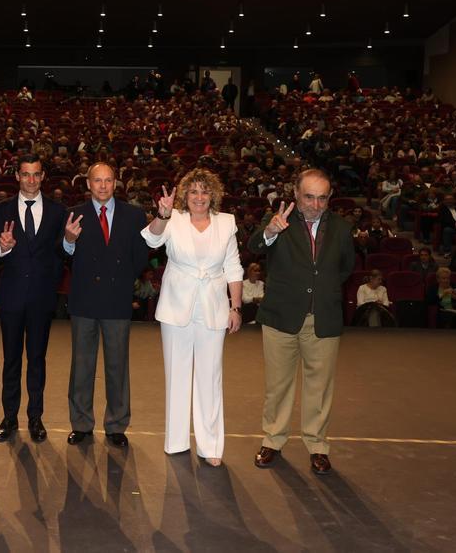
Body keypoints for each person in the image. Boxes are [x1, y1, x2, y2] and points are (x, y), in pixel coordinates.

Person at [247, 169, 355, 476]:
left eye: (323, 198)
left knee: (319, 388)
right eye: (309, 197)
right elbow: (255, 246)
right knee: (278, 385)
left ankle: (318, 446)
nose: (316, 205)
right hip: (281, 316)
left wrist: (322, 292)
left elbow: (345, 268)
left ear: (330, 197)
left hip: (324, 317)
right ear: (296, 193)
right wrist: (269, 231)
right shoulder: (279, 220)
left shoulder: (343, 229)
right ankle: (273, 439)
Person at [141, 170, 244, 465]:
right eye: (194, 192)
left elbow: (234, 267)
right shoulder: (172, 218)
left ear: (213, 195)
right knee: (177, 373)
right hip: (176, 306)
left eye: (205, 191)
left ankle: (210, 446)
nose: (199, 197)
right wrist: (162, 214)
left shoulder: (226, 223)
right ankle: (175, 441)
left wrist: (235, 307)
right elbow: (151, 242)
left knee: (210, 377)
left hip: (213, 307)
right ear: (185, 195)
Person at [62, 162, 149, 448]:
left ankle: (116, 425)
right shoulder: (73, 214)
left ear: (116, 183)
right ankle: (81, 423)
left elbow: (141, 259)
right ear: (88, 184)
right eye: (97, 181)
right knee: (82, 366)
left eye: (108, 180)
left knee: (117, 367)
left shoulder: (134, 216)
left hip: (117, 301)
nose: (102, 186)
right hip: (84, 301)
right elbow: (63, 257)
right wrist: (68, 241)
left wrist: (122, 282)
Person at [0, 153, 66, 444]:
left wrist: (69, 243)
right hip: (10, 297)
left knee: (37, 360)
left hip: (41, 298)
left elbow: (62, 254)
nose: (31, 180)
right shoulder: (1, 210)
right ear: (17, 176)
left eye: (36, 174)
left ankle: (35, 417)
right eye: (25, 174)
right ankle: (9, 417)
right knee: (11, 360)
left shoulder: (59, 212)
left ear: (43, 176)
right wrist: (4, 248)